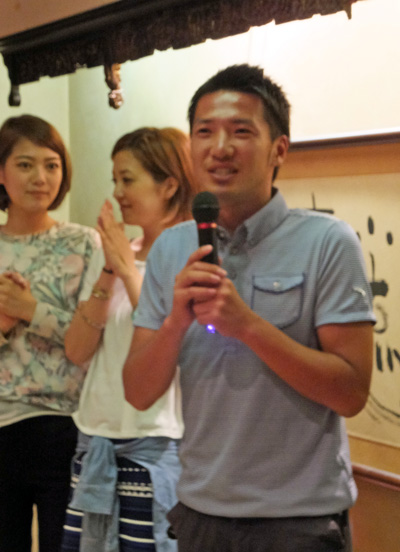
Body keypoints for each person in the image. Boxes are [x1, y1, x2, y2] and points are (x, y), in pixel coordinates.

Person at [122, 65, 376, 552]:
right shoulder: (171, 248)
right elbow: (137, 392)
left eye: (241, 131)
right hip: (200, 513)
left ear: (279, 149)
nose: (220, 148)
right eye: (205, 132)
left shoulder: (327, 241)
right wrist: (176, 322)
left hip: (297, 522)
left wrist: (247, 326)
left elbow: (350, 393)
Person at [61, 127, 195, 552]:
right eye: (114, 179)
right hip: (94, 437)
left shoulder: (191, 254)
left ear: (168, 185)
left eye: (128, 179)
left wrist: (127, 268)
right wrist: (109, 268)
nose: (117, 192)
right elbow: (77, 350)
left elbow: (174, 342)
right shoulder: (118, 252)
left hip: (156, 442)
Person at [0, 114, 99, 552]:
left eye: (51, 165)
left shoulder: (84, 243)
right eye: (25, 165)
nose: (40, 178)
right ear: (1, 172)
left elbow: (92, 338)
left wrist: (29, 310)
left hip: (67, 425)